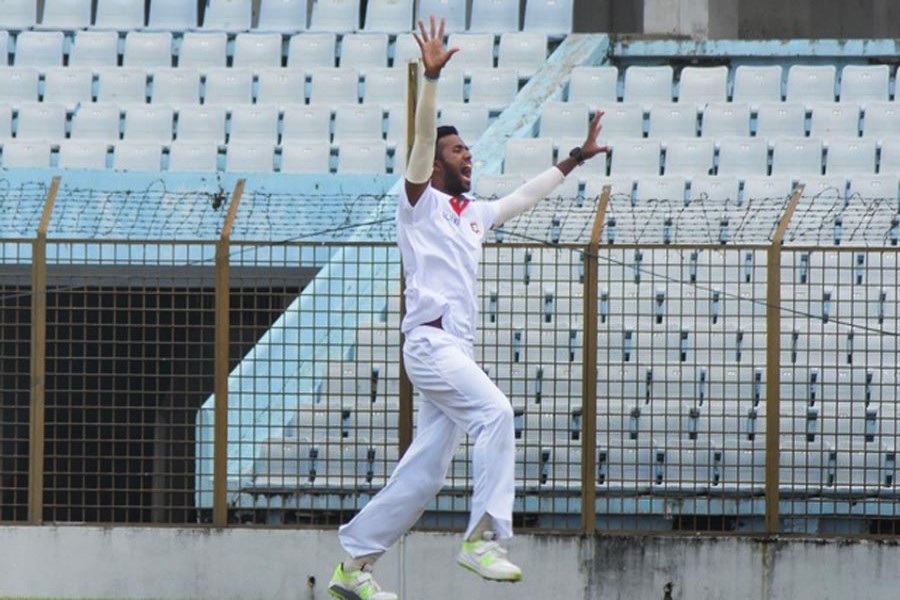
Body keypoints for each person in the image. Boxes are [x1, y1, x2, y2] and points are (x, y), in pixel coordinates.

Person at [327, 15, 609, 600]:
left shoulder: (473, 214)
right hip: (430, 344)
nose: (468, 155)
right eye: (457, 150)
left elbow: (524, 196)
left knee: (425, 474)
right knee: (496, 413)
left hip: (454, 349)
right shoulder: (418, 204)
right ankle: (483, 538)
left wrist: (576, 158)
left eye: (467, 149)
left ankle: (354, 567)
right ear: (434, 164)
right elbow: (421, 145)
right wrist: (430, 82)